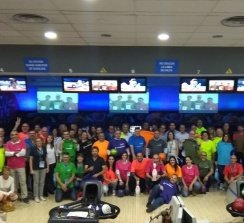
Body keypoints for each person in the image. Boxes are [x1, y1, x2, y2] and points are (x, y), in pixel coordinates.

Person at [5, 130, 29, 203]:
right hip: (11, 166)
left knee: (23, 182)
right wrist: (16, 153)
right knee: (13, 183)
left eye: (15, 134)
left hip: (21, 166)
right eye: (12, 135)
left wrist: (12, 153)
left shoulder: (22, 142)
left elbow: (23, 153)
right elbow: (6, 153)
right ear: (10, 136)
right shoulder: (8, 143)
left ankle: (24, 196)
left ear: (17, 135)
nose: (14, 136)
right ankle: (14, 197)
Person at [29, 138, 49, 202]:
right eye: (37, 141)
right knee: (36, 183)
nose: (38, 142)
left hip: (43, 168)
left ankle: (41, 195)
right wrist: (31, 169)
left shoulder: (44, 148)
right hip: (35, 168)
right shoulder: (33, 149)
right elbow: (30, 159)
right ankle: (36, 196)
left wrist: (47, 167)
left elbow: (46, 158)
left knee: (42, 182)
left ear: (41, 142)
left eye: (39, 141)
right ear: (35, 142)